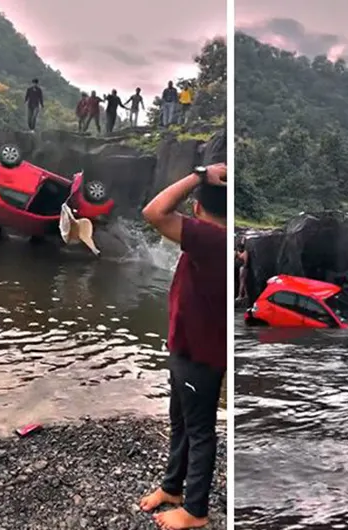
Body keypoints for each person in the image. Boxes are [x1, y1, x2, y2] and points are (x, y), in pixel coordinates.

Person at [139, 159, 227, 530]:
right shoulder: (216, 240)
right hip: (187, 350)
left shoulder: (211, 238)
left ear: (196, 208)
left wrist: (198, 175)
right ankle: (173, 489)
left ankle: (195, 512)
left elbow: (154, 212)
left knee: (200, 431)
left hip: (201, 358)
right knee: (182, 422)